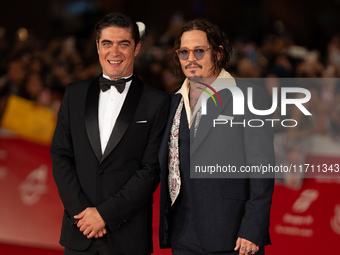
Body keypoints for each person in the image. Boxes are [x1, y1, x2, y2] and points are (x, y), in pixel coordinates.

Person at [50, 12, 170, 255]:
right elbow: (60, 155)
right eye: (107, 43)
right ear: (97, 47)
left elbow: (151, 170)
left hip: (129, 237)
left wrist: (105, 215)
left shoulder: (157, 102)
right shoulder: (74, 94)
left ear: (136, 48)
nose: (114, 52)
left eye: (123, 44)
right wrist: (82, 213)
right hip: (80, 231)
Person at [159, 18, 275, 255]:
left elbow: (262, 169)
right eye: (184, 52)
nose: (190, 58)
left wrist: (253, 229)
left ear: (219, 53)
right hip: (182, 235)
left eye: (199, 51)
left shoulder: (247, 95)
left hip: (232, 236)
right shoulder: (173, 101)